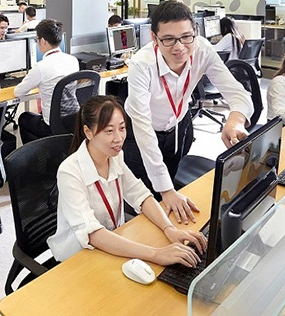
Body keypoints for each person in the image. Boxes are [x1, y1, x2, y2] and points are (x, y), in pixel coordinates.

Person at [124, 0, 253, 223]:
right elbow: (143, 129)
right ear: (154, 38)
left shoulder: (202, 49)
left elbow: (238, 93)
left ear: (195, 31)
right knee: (145, 201)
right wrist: (165, 190)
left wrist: (235, 120)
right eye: (168, 39)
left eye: (186, 37)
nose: (179, 47)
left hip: (179, 126)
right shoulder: (141, 65)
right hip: (140, 134)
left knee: (173, 190)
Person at [47, 95, 207, 265]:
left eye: (122, 128)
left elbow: (141, 195)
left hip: (115, 242)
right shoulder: (69, 172)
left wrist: (169, 229)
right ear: (88, 132)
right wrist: (156, 254)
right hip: (81, 255)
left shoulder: (114, 156)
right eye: (109, 131)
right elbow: (92, 233)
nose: (118, 138)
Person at [14, 19, 80, 143]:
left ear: (43, 41)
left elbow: (18, 92)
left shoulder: (40, 67)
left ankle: (37, 152)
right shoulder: (73, 60)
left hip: (52, 125)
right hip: (74, 120)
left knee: (24, 118)